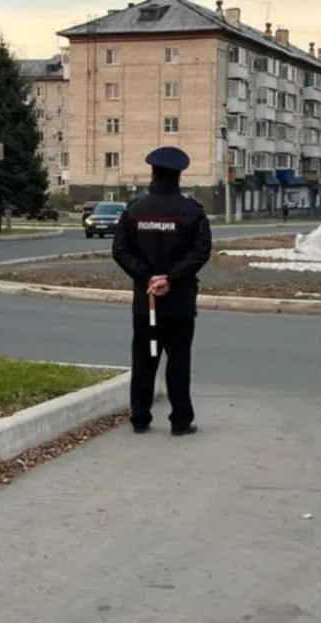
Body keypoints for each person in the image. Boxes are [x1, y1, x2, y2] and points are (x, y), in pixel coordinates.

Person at [111, 146, 212, 436]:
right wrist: (171, 278)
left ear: (152, 173)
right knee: (178, 360)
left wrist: (148, 278)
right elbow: (200, 251)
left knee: (145, 358)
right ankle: (180, 421)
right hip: (179, 303)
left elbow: (120, 250)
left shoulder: (135, 210)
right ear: (180, 175)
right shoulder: (191, 211)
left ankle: (140, 418)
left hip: (147, 303)